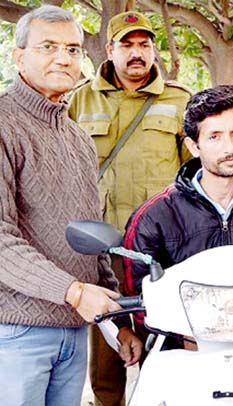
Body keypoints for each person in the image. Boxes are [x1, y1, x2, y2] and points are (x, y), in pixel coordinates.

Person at [0, 6, 141, 405]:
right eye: (48, 46)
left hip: (75, 331)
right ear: (18, 55)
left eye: (73, 49)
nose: (63, 58)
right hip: (15, 332)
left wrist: (117, 324)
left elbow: (90, 239)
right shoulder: (4, 123)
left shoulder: (77, 138)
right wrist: (74, 292)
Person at [67, 11, 192, 405]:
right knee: (106, 352)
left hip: (163, 249)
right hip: (103, 246)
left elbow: (193, 175)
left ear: (154, 50)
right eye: (127, 44)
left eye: (144, 44)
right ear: (109, 50)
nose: (137, 53)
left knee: (170, 343)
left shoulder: (179, 100)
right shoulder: (80, 100)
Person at [122, 85, 233, 349]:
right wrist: (180, 337)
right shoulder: (153, 217)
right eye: (214, 137)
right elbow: (138, 294)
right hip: (185, 355)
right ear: (193, 145)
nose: (229, 146)